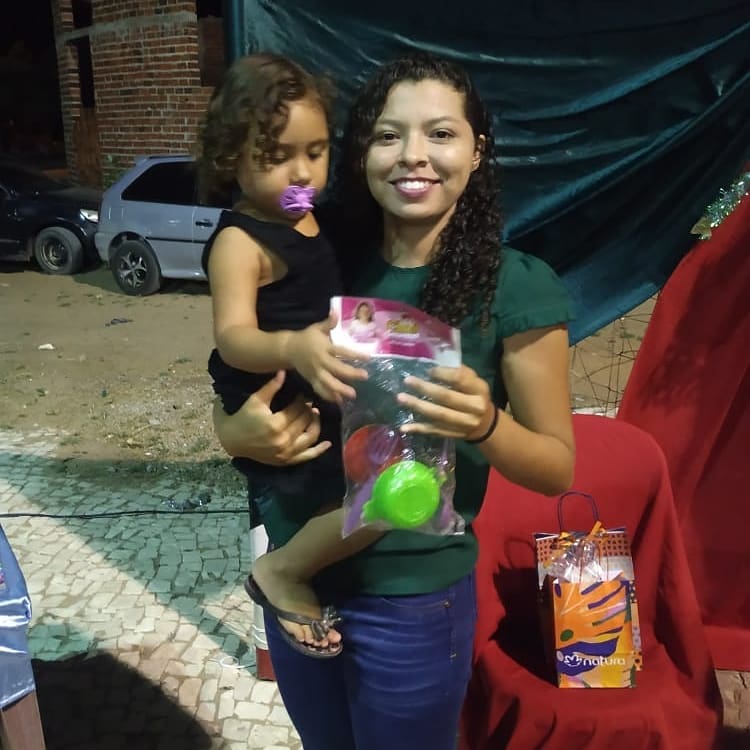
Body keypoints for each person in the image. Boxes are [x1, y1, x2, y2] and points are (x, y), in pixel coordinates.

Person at [213, 51, 576, 750]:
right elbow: (239, 361)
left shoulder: (515, 287)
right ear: (361, 154)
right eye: (388, 135)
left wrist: (488, 424)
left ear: (477, 152)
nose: (413, 154)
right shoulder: (322, 258)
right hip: (295, 576)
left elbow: (556, 468)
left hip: (412, 600)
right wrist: (233, 432)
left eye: (441, 133)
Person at [196, 52, 388, 658]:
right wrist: (293, 346)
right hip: (279, 397)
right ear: (231, 158)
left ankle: (299, 572)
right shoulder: (238, 241)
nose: (302, 173)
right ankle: (282, 573)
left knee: (366, 501)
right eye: (277, 156)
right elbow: (232, 336)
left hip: (317, 387)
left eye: (316, 151)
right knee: (375, 504)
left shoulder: (312, 218)